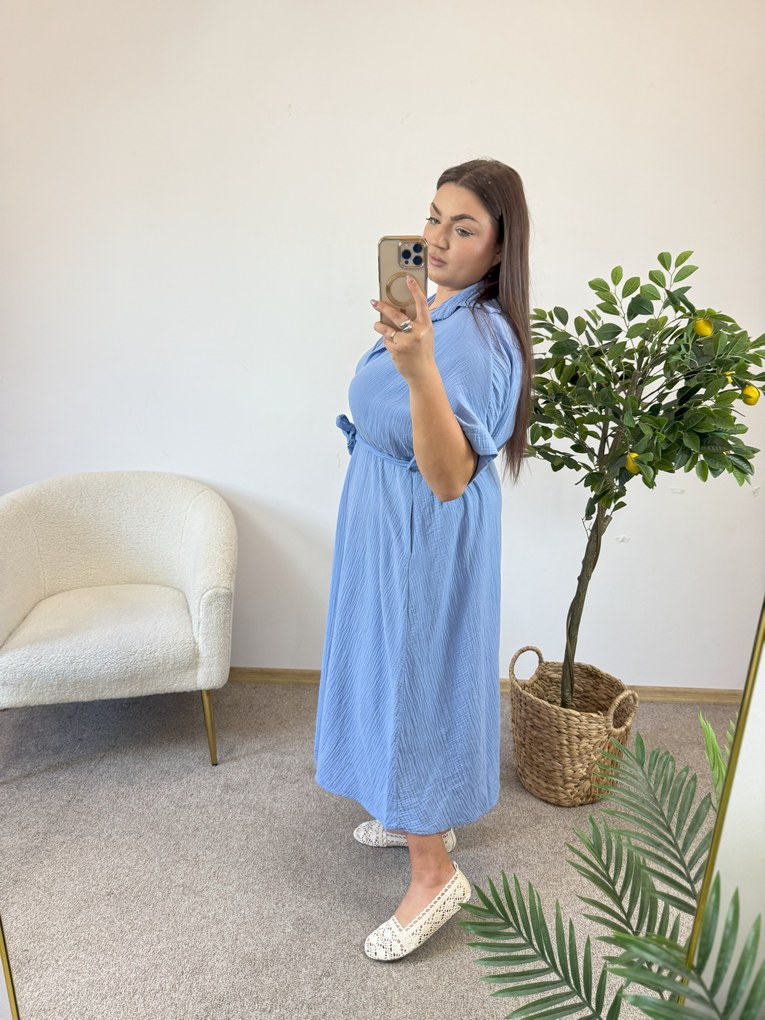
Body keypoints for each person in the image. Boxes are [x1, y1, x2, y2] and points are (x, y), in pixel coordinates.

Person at [314, 159, 532, 961]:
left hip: (420, 532)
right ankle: (410, 804)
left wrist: (415, 368)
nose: (436, 239)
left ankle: (433, 872)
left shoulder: (478, 338)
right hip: (384, 513)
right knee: (385, 664)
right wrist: (410, 351)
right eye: (433, 217)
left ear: (500, 248)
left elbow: (447, 477)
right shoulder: (437, 306)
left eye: (462, 228)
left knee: (416, 678)